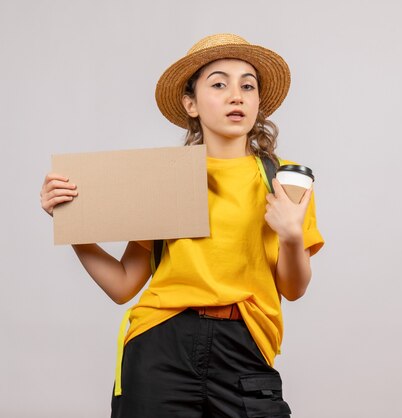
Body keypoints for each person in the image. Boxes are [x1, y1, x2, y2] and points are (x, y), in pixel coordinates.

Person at [40, 33, 324, 418]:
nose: (235, 95)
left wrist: (291, 236)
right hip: (161, 343)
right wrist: (71, 224)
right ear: (191, 103)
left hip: (246, 345)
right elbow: (124, 285)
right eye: (219, 83)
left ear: (259, 102)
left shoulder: (285, 180)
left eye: (247, 86)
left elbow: (294, 288)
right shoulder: (165, 179)